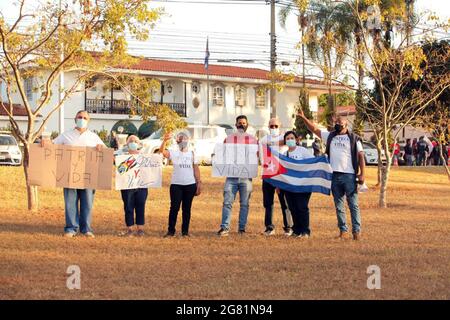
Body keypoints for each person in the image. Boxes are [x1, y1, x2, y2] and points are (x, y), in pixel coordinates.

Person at [297, 109, 365, 240]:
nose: (337, 125)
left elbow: (361, 155)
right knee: (339, 205)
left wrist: (362, 174)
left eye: (340, 123)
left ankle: (356, 231)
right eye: (336, 123)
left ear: (346, 125)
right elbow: (315, 129)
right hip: (334, 175)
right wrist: (304, 118)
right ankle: (343, 231)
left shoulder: (354, 138)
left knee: (353, 205)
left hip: (349, 176)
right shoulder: (330, 136)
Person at [42, 110, 105, 238]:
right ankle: (71, 228)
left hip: (88, 176)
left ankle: (86, 229)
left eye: (85, 118)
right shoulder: (66, 135)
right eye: (80, 117)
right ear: (75, 119)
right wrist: (44, 142)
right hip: (70, 175)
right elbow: (52, 146)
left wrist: (101, 148)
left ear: (89, 121)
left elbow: (105, 152)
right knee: (70, 202)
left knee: (87, 202)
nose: (82, 119)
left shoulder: (94, 137)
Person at [217, 115, 258, 237]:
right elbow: (222, 155)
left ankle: (242, 229)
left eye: (244, 123)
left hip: (246, 177)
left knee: (244, 204)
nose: (241, 125)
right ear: (236, 125)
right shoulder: (228, 139)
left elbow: (256, 157)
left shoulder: (253, 140)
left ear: (247, 125)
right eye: (239, 123)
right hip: (231, 176)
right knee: (227, 202)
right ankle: (225, 228)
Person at [160, 130, 201, 237]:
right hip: (176, 185)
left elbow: (196, 168)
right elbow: (161, 152)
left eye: (184, 138)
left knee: (186, 209)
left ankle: (185, 232)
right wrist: (164, 141)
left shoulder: (192, 153)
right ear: (177, 141)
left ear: (188, 140)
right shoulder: (173, 152)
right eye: (180, 138)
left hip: (190, 184)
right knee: (174, 208)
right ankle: (171, 231)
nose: (183, 140)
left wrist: (198, 182)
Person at [259, 118, 293, 236]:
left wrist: (278, 143)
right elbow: (262, 157)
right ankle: (269, 227)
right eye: (271, 126)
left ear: (280, 126)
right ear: (268, 126)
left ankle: (288, 227)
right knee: (268, 203)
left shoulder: (285, 138)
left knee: (285, 202)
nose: (273, 128)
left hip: (282, 174)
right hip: (268, 173)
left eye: (275, 126)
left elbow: (291, 145)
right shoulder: (264, 139)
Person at [282, 131, 315, 238]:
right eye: (287, 138)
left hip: (303, 185)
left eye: (292, 138)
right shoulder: (284, 154)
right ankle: (296, 230)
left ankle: (305, 231)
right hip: (289, 186)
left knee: (302, 207)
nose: (290, 140)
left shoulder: (303, 151)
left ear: (296, 139)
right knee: (293, 207)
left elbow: (312, 163)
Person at [117, 135, 148, 237]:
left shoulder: (144, 156)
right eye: (131, 140)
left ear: (139, 144)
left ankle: (140, 229)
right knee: (128, 207)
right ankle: (129, 229)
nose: (133, 142)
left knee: (141, 205)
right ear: (127, 143)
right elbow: (119, 167)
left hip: (141, 185)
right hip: (127, 185)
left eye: (135, 141)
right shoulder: (121, 154)